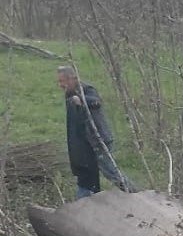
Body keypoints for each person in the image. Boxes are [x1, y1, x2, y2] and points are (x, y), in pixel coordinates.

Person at [56, 65, 137, 199]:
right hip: (84, 144)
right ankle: (87, 202)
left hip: (98, 141)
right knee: (86, 175)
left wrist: (82, 100)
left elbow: (96, 102)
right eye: (59, 81)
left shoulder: (87, 90)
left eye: (62, 81)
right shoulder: (69, 95)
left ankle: (136, 195)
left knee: (110, 171)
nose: (60, 85)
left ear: (72, 79)